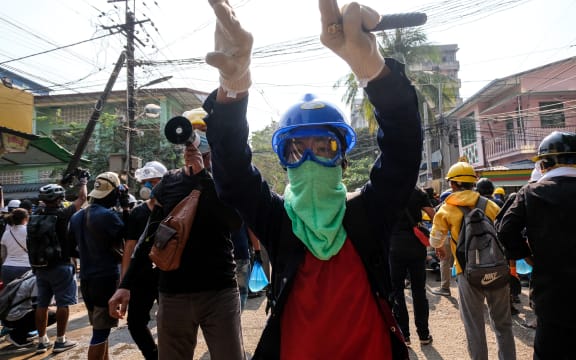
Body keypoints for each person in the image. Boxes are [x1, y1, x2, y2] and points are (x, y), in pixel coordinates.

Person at [202, 1, 422, 358]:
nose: (310, 157)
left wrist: (375, 73)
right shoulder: (278, 220)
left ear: (342, 157)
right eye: (296, 149)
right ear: (284, 160)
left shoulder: (368, 213)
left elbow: (404, 149)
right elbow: (233, 177)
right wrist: (233, 90)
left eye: (324, 146)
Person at [109, 141, 245, 359]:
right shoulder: (169, 182)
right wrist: (125, 286)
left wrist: (203, 177)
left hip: (219, 292)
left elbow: (234, 222)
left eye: (206, 154)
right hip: (173, 295)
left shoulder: (225, 181)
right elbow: (150, 238)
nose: (201, 156)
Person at [497, 131, 576, 360]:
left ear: (545, 163)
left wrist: (529, 256)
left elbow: (505, 230)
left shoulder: (530, 193)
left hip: (551, 295)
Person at [430, 161, 515, 360]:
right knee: (503, 325)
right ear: (472, 183)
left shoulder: (446, 209)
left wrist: (440, 249)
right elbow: (504, 231)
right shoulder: (490, 205)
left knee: (474, 327)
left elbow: (435, 239)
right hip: (496, 270)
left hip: (467, 273)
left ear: (452, 185)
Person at [69, 172, 128, 360]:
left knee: (100, 327)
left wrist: (88, 256)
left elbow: (70, 248)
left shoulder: (77, 217)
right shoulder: (109, 217)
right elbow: (130, 236)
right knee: (100, 333)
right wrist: (125, 207)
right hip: (105, 279)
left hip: (86, 279)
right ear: (113, 193)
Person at [32, 171, 88, 355]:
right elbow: (82, 198)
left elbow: (51, 198)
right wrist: (83, 181)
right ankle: (61, 340)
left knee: (42, 304)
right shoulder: (63, 214)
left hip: (40, 266)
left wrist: (62, 184)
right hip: (61, 265)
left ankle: (41, 341)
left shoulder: (35, 214)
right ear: (60, 199)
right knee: (63, 303)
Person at [121, 161, 168, 360]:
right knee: (135, 323)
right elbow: (130, 248)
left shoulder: (175, 211)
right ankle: (152, 355)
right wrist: (123, 284)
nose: (148, 187)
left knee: (169, 321)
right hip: (141, 276)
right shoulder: (138, 213)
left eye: (153, 182)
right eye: (146, 182)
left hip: (167, 275)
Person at [389, 187, 435, 346]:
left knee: (397, 290)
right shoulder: (418, 191)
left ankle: (404, 336)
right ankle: (423, 334)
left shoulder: (386, 190)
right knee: (419, 290)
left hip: (394, 246)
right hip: (416, 246)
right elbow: (433, 214)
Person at [0, 270, 56, 348]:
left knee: (44, 311)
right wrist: (43, 338)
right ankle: (16, 336)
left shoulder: (31, 273)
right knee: (52, 315)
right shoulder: (39, 280)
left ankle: (21, 332)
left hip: (5, 314)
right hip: (13, 317)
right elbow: (39, 307)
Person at [431, 189, 454, 296]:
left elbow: (437, 227)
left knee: (444, 262)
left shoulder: (440, 209)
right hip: (457, 237)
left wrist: (437, 244)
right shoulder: (458, 207)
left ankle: (445, 288)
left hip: (444, 239)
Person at [1, 208, 31, 285]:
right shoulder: (30, 231)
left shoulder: (6, 233)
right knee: (25, 295)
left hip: (7, 268)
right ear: (26, 218)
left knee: (8, 294)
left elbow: (3, 254)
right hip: (26, 267)